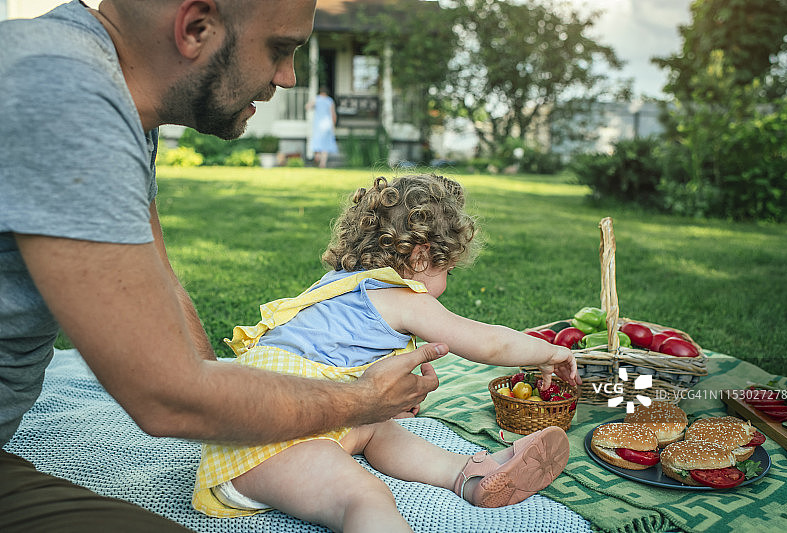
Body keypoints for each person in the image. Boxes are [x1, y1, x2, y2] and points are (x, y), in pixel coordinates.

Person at [0, 1, 447, 531]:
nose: (288, 77)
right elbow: (167, 400)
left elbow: (160, 278)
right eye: (280, 49)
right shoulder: (65, 95)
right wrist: (361, 400)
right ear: (196, 27)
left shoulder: (112, 96)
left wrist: (223, 396)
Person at [192, 174, 581, 532]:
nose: (446, 281)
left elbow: (339, 370)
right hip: (267, 446)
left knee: (375, 424)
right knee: (365, 497)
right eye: (447, 270)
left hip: (281, 418)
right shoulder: (404, 299)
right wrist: (548, 352)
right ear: (421, 257)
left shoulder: (339, 285)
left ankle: (469, 475)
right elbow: (489, 342)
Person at [306, 86, 339, 167]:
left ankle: (317, 156)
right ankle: (323, 163)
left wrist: (313, 107)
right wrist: (333, 125)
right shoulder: (329, 100)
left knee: (317, 142)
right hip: (328, 124)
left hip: (318, 124)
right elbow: (333, 114)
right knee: (325, 145)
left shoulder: (317, 99)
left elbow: (307, 107)